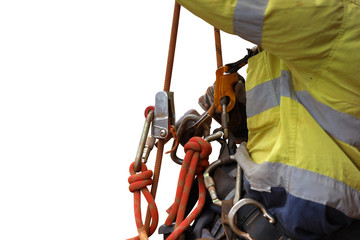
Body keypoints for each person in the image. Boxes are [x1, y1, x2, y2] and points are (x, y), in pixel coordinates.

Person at [175, 0, 360, 239]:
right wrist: (244, 122)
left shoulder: (335, 18)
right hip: (281, 213)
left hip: (297, 219)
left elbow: (232, 4)